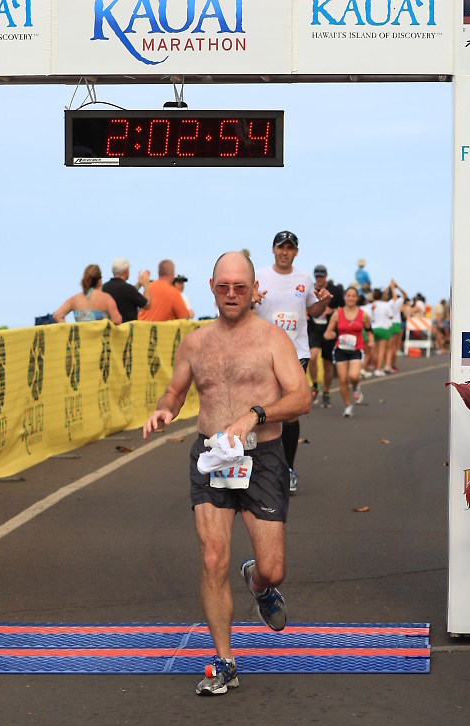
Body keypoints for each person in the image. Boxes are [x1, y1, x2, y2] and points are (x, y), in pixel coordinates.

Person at [143, 251, 311, 696]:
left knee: (274, 570)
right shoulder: (195, 343)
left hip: (263, 456)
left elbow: (302, 399)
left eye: (240, 286)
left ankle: (257, 582)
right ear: (212, 287)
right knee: (212, 558)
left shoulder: (274, 340)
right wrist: (164, 409)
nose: (232, 294)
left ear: (255, 290)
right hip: (213, 457)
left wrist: (256, 414)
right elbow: (175, 391)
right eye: (224, 286)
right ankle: (224, 661)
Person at [254, 231, 331, 494]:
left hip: (295, 351)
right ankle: (259, 466)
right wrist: (251, 301)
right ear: (273, 250)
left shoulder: (304, 278)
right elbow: (244, 307)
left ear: (296, 252)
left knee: (290, 411)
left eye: (290, 248)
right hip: (263, 352)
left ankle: (287, 469)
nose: (285, 252)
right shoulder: (260, 276)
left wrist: (323, 303)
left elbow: (314, 310)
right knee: (263, 407)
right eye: (281, 247)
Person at [324, 286, 373, 417]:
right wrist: (330, 334)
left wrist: (371, 340)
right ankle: (348, 406)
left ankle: (356, 387)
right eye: (348, 295)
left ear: (357, 298)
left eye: (353, 296)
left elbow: (369, 331)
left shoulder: (363, 315)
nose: (351, 298)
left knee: (354, 376)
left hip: (356, 349)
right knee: (343, 380)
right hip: (340, 349)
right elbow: (327, 332)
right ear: (344, 297)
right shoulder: (337, 314)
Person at [306, 265, 344, 409]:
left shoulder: (335, 291)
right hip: (314, 329)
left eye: (322, 276)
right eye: (317, 276)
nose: (319, 279)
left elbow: (343, 308)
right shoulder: (310, 289)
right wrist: (305, 312)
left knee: (328, 364)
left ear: (326, 276)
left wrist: (332, 310)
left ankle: (326, 392)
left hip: (329, 330)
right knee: (312, 357)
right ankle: (315, 384)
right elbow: (302, 304)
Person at [53, 264, 122, 324]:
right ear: (99, 281)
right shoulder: (106, 298)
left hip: (82, 338)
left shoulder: (74, 299)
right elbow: (117, 320)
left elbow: (57, 315)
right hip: (99, 338)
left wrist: (70, 329)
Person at [102, 257, 152, 322]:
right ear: (126, 271)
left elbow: (127, 294)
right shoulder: (128, 289)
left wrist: (139, 284)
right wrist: (146, 284)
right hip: (127, 330)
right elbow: (147, 304)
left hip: (110, 330)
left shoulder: (104, 287)